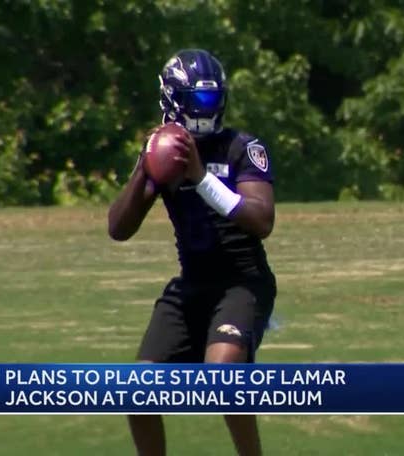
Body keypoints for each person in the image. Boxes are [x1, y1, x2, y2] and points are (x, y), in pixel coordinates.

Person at [108, 49, 276, 456]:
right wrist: (146, 168)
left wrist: (201, 178)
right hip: (192, 285)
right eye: (199, 100)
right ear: (173, 100)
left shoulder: (241, 147)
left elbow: (261, 220)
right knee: (137, 390)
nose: (208, 109)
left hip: (242, 281)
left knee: (223, 375)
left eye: (213, 99)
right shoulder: (162, 148)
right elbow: (118, 228)